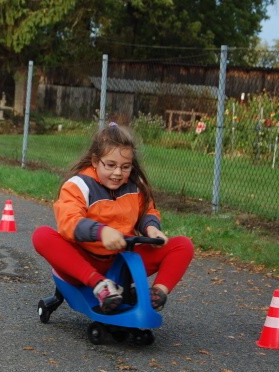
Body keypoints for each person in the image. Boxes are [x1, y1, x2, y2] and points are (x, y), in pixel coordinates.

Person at [31, 122, 194, 313]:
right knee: (41, 236)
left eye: (125, 167)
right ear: (94, 161)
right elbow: (69, 221)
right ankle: (100, 285)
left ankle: (155, 294)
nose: (118, 173)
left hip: (122, 264)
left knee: (183, 245)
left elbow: (146, 211)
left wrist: (151, 227)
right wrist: (102, 232)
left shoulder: (135, 185)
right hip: (83, 263)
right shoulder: (78, 185)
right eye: (110, 165)